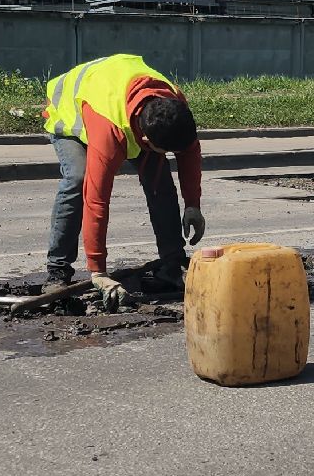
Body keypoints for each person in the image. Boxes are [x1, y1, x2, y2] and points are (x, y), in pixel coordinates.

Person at [41, 53, 205, 307]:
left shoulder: (172, 103)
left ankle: (171, 265)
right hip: (72, 114)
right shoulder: (109, 131)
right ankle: (57, 269)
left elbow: (190, 151)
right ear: (147, 141)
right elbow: (96, 199)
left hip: (117, 98)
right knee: (78, 178)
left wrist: (193, 204)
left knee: (159, 180)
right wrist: (98, 272)